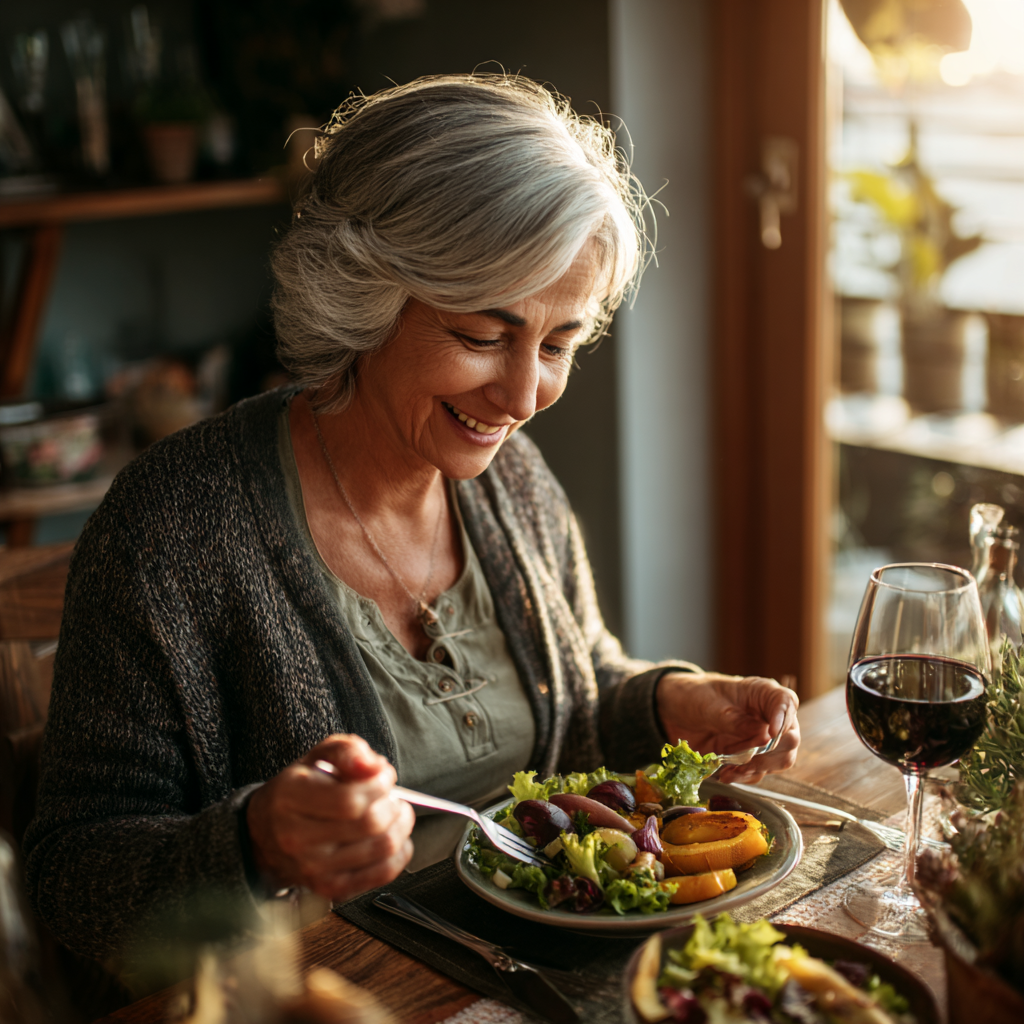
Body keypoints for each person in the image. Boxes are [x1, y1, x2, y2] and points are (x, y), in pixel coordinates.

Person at [23, 74, 799, 971]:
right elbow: (71, 883)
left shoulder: (511, 481)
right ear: (367, 295)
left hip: (528, 982)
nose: (521, 397)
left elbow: (578, 691)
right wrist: (255, 846)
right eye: (482, 335)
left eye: (558, 346)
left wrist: (668, 702)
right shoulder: (171, 530)